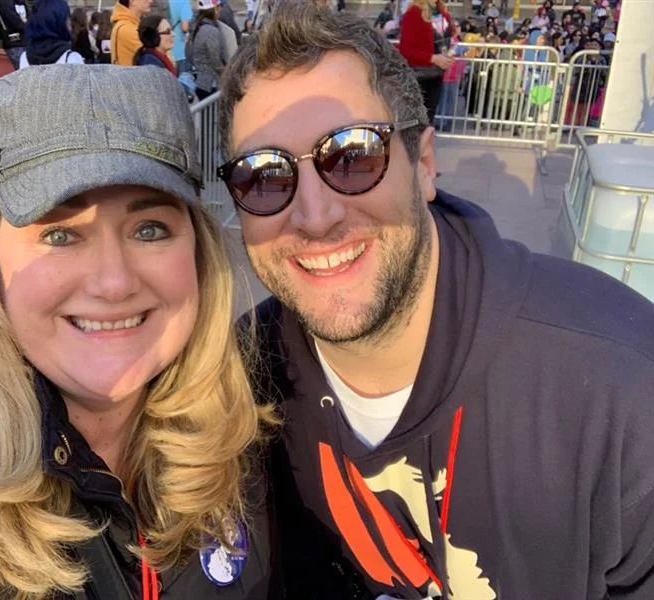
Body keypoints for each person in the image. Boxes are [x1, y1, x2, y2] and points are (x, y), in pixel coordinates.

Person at [216, 2, 654, 599]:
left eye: (353, 156)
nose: (314, 217)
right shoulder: (235, 386)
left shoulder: (619, 391)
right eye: (263, 175)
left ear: (423, 164)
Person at [0, 64, 276, 599]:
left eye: (150, 229)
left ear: (198, 252)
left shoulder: (243, 421)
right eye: (59, 233)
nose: (114, 282)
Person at [398, 0, 454, 128]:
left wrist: (447, 56)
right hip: (419, 76)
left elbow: (445, 41)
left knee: (429, 120)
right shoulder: (413, 13)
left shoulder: (442, 13)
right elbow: (405, 50)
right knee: (417, 122)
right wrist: (433, 58)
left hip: (436, 74)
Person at [19, 0, 84, 68]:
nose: (70, 24)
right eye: (67, 18)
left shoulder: (24, 57)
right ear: (60, 21)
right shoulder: (72, 58)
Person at [190, 0, 225, 101]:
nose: (221, 9)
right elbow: (215, 60)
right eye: (218, 7)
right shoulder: (210, 30)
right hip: (210, 83)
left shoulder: (197, 24)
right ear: (213, 9)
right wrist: (226, 74)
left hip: (201, 81)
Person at [0, 0, 30, 70]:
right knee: (24, 72)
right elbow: (17, 23)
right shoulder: (4, 3)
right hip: (13, 43)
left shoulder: (21, 2)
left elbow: (31, 18)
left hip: (26, 41)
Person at [110, 0, 152, 66]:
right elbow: (157, 58)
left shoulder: (130, 26)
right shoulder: (127, 29)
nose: (150, 1)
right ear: (132, 1)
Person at [167, 0, 192, 72]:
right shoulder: (183, 2)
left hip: (166, 52)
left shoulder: (163, 2)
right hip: (181, 52)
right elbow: (185, 27)